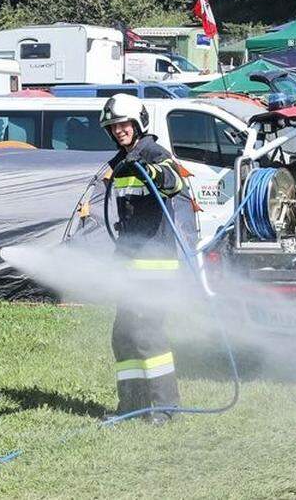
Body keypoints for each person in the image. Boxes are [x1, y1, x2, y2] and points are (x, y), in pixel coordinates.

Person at [100, 94, 198, 423]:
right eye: (113, 126)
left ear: (137, 122)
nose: (119, 130)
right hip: (130, 262)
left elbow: (174, 180)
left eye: (124, 124)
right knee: (123, 335)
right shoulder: (122, 160)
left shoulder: (153, 153)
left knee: (148, 334)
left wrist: (155, 174)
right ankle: (131, 405)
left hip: (155, 264)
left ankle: (165, 408)